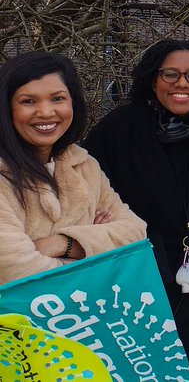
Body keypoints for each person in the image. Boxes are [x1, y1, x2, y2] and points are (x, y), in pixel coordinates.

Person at [84, 41, 189, 382]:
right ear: (152, 79)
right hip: (139, 276)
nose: (182, 83)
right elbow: (86, 193)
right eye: (171, 74)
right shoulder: (119, 129)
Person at [0, 52, 147, 285]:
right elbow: (13, 270)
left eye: (57, 99)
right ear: (6, 109)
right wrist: (96, 250)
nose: (46, 112)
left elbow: (137, 235)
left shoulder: (84, 165)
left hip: (85, 319)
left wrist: (64, 243)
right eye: (28, 101)